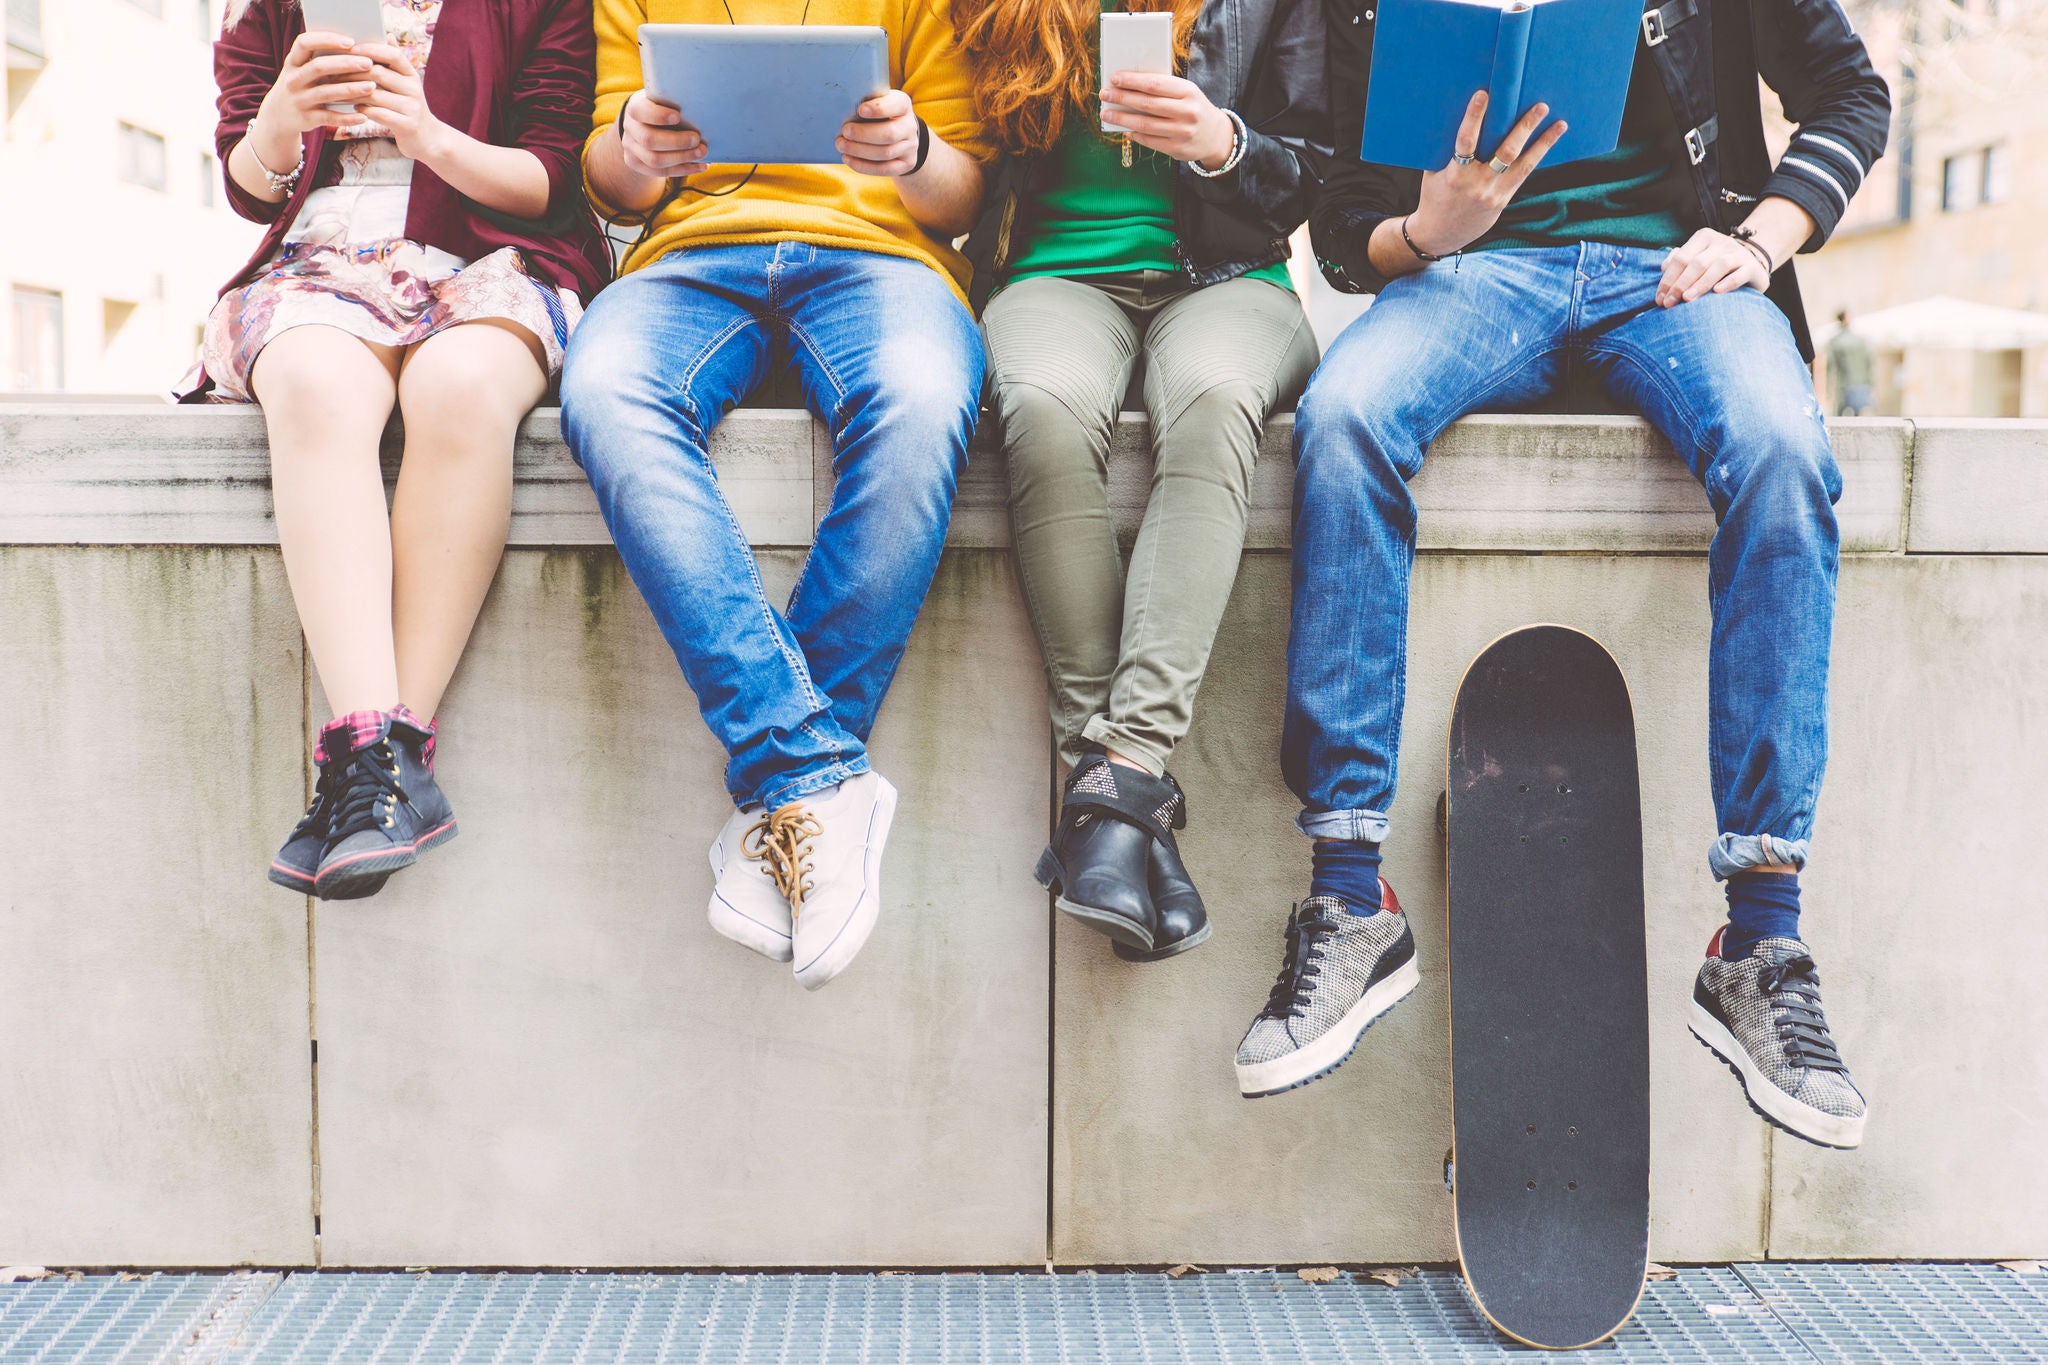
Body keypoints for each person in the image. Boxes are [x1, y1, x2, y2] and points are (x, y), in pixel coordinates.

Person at [1236, 0, 1889, 1152]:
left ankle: (1758, 939)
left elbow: (1850, 95)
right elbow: (1345, 233)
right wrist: (1429, 228)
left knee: (1786, 457)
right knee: (1339, 422)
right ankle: (1349, 897)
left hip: (1679, 283)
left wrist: (1757, 240)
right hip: (1474, 281)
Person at [558, 0, 991, 991]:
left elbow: (961, 193)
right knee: (606, 392)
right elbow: (609, 187)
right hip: (688, 259)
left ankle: (785, 797)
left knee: (921, 403)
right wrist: (635, 145)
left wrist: (911, 150)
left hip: (883, 261)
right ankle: (815, 778)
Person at [197, 0, 609, 901]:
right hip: (319, 262)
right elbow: (245, 182)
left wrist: (428, 135)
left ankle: (380, 760)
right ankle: (379, 767)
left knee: (461, 388)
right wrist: (281, 118)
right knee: (310, 384)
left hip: (490, 252)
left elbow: (554, 177)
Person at [955, 0, 1323, 963]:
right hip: (1049, 275)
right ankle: (1121, 802)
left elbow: (1316, 174)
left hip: (1231, 278)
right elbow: (958, 162)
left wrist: (1221, 144)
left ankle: (1116, 776)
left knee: (1212, 401)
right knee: (1037, 405)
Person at [1827, 308, 1876, 415]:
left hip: (1843, 387)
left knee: (1839, 418)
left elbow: (1831, 367)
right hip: (1861, 385)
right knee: (1857, 418)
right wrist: (1871, 385)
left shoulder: (1835, 342)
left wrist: (1829, 390)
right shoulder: (1861, 341)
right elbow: (1869, 364)